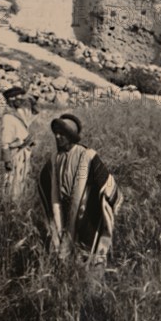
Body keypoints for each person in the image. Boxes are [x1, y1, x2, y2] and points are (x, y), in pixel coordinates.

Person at [37, 114, 123, 281]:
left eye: (61, 133)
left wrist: (104, 200)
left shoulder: (87, 155)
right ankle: (70, 283)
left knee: (90, 250)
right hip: (64, 210)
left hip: (87, 210)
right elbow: (43, 180)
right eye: (55, 133)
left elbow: (108, 183)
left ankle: (92, 289)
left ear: (71, 135)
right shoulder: (55, 158)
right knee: (64, 246)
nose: (57, 136)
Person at [1, 87, 39, 200]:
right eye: (16, 98)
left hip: (23, 151)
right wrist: (7, 160)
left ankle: (15, 203)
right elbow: (4, 141)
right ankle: (10, 206)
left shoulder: (19, 113)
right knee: (13, 181)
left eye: (20, 97)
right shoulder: (8, 117)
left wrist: (30, 98)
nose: (20, 100)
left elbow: (36, 110)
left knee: (21, 179)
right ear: (10, 100)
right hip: (15, 153)